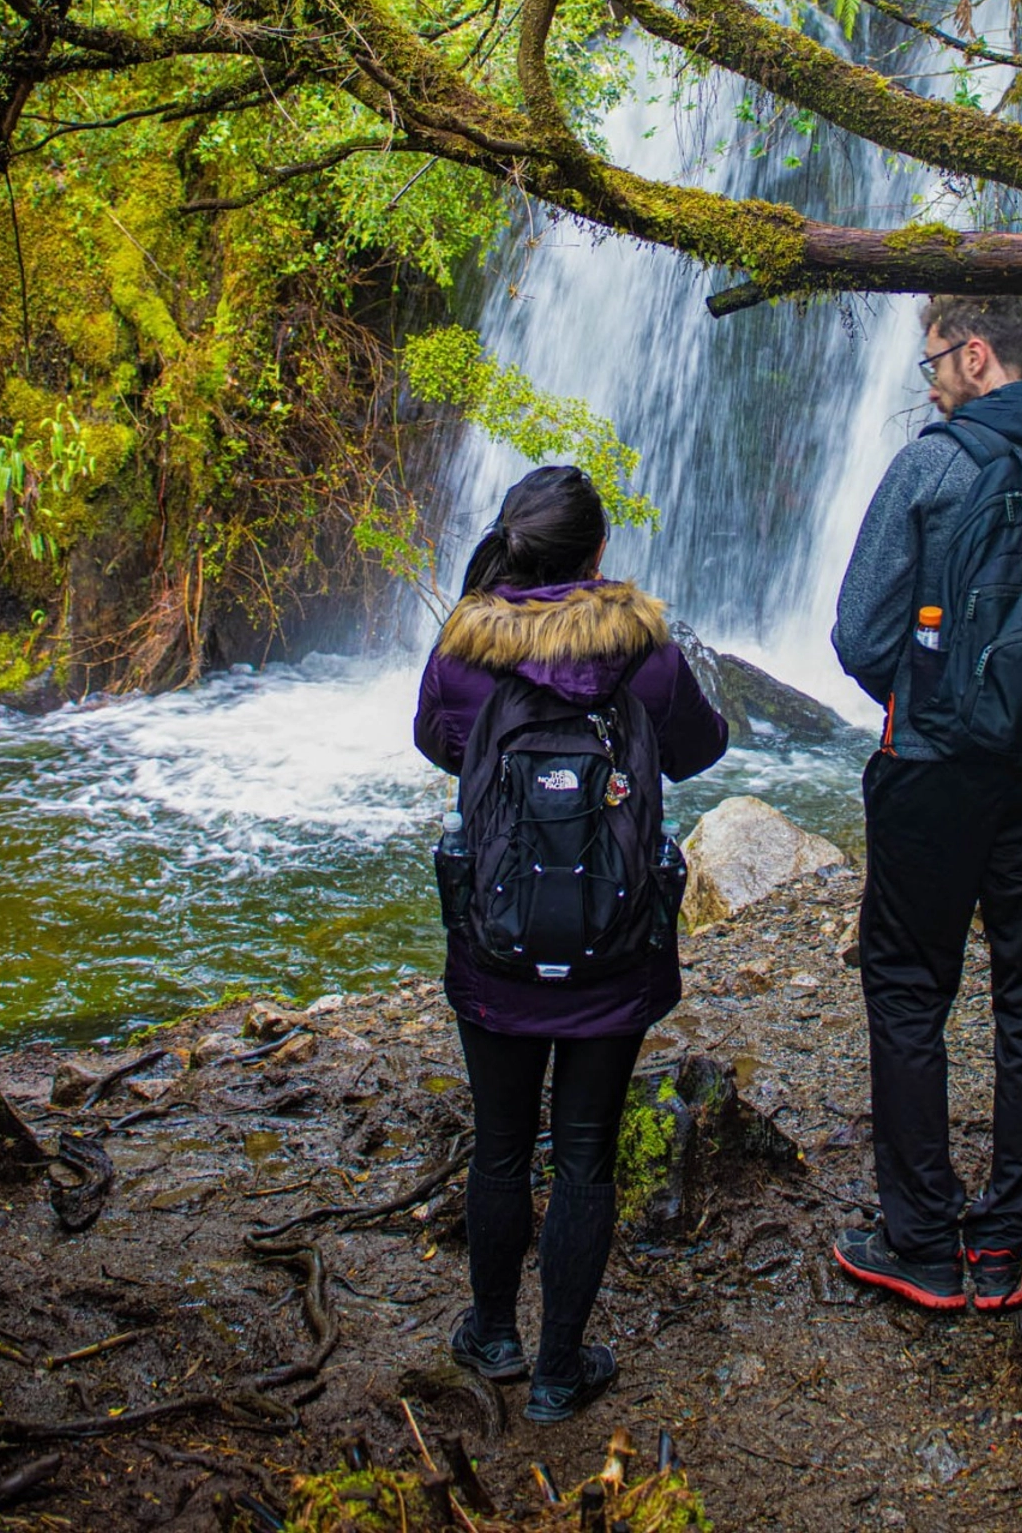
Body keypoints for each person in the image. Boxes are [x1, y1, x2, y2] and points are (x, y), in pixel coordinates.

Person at [830, 295, 1022, 1313]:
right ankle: (1003, 1247)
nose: (925, 384)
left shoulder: (936, 463)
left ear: (976, 356)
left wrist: (928, 702)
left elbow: (856, 631)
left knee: (910, 985)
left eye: (931, 363)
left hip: (932, 767)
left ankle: (921, 1240)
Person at [414, 464, 727, 1421]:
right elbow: (699, 748)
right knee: (583, 1152)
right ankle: (559, 1370)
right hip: (616, 947)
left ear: (511, 546)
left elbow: (434, 741)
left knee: (504, 1142)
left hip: (496, 943)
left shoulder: (465, 651)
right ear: (598, 555)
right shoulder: (648, 655)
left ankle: (493, 1334)